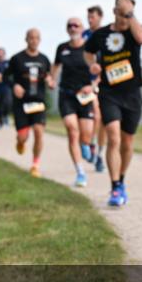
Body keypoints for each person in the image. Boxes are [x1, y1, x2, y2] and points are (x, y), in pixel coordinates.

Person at [84, 0, 142, 207]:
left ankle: (121, 179)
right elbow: (88, 52)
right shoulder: (101, 34)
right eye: (122, 14)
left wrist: (132, 17)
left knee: (127, 142)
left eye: (128, 14)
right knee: (113, 137)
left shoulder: (135, 30)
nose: (124, 18)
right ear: (114, 11)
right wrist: (93, 65)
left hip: (132, 93)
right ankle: (114, 187)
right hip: (109, 92)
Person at [54, 17, 99, 187]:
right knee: (72, 131)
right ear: (67, 29)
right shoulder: (62, 48)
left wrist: (92, 85)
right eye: (70, 26)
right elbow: (55, 67)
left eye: (76, 25)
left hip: (85, 96)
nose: (73, 28)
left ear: (82, 29)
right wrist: (52, 80)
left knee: (85, 135)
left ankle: (87, 145)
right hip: (67, 95)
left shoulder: (90, 48)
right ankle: (80, 172)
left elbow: (100, 72)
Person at [5, 28, 55, 177]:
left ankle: (35, 164)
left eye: (37, 38)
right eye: (31, 38)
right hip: (21, 103)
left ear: (40, 40)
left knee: (39, 132)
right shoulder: (17, 58)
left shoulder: (44, 59)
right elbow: (5, 77)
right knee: (23, 137)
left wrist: (50, 82)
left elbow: (50, 77)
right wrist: (14, 85)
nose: (34, 41)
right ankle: (20, 142)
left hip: (38, 101)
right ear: (26, 39)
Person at [82, 4, 107, 172]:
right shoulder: (84, 35)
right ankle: (90, 143)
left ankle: (99, 153)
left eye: (93, 17)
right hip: (85, 83)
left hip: (102, 82)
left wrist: (98, 80)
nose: (90, 20)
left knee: (102, 120)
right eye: (88, 17)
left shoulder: (107, 35)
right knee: (95, 117)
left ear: (100, 17)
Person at [0, 47, 12, 129]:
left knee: (8, 103)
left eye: (2, 53)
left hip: (7, 86)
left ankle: (6, 116)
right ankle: (1, 121)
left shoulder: (8, 63)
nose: (0, 55)